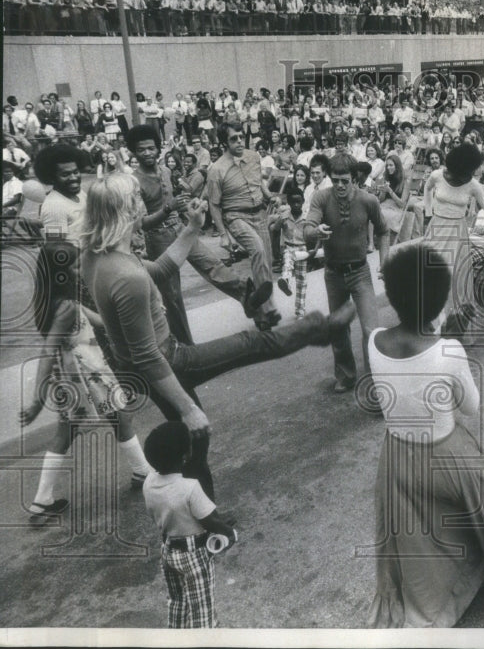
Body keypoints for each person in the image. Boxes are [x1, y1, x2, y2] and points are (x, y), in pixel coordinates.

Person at [79, 174, 354, 499]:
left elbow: (161, 269)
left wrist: (193, 226)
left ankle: (200, 513)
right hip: (166, 361)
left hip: (147, 365)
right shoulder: (125, 276)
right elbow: (148, 355)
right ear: (127, 210)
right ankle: (320, 329)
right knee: (250, 345)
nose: (143, 205)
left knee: (194, 441)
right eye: (137, 199)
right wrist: (187, 408)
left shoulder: (100, 256)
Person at [367, 243, 484, 628]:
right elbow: (471, 407)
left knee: (417, 533)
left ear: (393, 296)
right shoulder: (448, 349)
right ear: (438, 300)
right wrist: (445, 337)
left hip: (395, 456)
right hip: (444, 451)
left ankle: (436, 593)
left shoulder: (374, 339)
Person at [19, 240, 153, 524]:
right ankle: (143, 471)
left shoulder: (53, 303)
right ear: (60, 274)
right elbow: (48, 351)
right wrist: (36, 401)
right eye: (75, 265)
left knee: (67, 433)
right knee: (121, 416)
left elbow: (102, 321)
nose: (81, 270)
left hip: (70, 376)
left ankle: (42, 501)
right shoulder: (66, 306)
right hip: (87, 373)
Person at [127, 125, 256, 343]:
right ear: (134, 152)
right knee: (173, 296)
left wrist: (190, 205)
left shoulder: (165, 171)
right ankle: (185, 346)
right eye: (142, 150)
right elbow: (142, 224)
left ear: (158, 149)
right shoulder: (133, 181)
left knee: (212, 263)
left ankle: (247, 296)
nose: (147, 153)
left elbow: (180, 197)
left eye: (151, 148)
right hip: (158, 238)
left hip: (180, 227)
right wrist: (169, 208)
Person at [304, 153, 389, 394]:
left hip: (360, 272)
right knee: (338, 327)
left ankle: (376, 382)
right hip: (333, 274)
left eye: (345, 180)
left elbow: (384, 231)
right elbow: (308, 227)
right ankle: (346, 375)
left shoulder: (368, 200)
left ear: (355, 178)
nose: (340, 185)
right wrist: (315, 231)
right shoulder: (321, 197)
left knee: (371, 330)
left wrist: (385, 262)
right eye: (335, 180)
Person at [142, 421, 238, 629]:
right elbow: (209, 521)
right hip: (194, 554)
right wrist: (228, 531)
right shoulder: (190, 488)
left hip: (168, 550)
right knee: (202, 605)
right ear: (185, 456)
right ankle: (205, 638)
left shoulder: (149, 483)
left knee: (177, 600)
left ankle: (176, 634)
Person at [205, 125, 280, 330]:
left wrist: (269, 196)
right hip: (236, 216)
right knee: (257, 249)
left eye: (240, 137)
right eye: (233, 139)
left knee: (266, 258)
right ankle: (268, 308)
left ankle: (258, 309)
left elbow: (258, 183)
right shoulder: (217, 170)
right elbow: (214, 204)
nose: (239, 142)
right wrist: (223, 235)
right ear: (224, 143)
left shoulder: (254, 157)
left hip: (259, 213)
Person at [422, 142, 484, 338]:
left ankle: (449, 328)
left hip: (458, 234)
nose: (468, 176)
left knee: (454, 280)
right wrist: (428, 213)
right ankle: (430, 323)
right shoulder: (437, 175)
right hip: (436, 229)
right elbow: (427, 189)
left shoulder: (474, 185)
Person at [270, 190, 311, 320]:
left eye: (298, 201)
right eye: (293, 202)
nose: (296, 205)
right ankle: (285, 280)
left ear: (303, 201)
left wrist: (312, 250)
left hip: (303, 249)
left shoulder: (307, 217)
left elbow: (312, 234)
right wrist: (276, 251)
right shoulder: (284, 217)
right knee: (287, 262)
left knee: (302, 281)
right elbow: (274, 230)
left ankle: (300, 311)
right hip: (289, 247)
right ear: (288, 203)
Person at [35, 143, 89, 241]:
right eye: (65, 174)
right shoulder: (54, 207)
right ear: (52, 178)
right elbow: (55, 247)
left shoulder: (80, 193)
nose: (73, 178)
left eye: (76, 172)